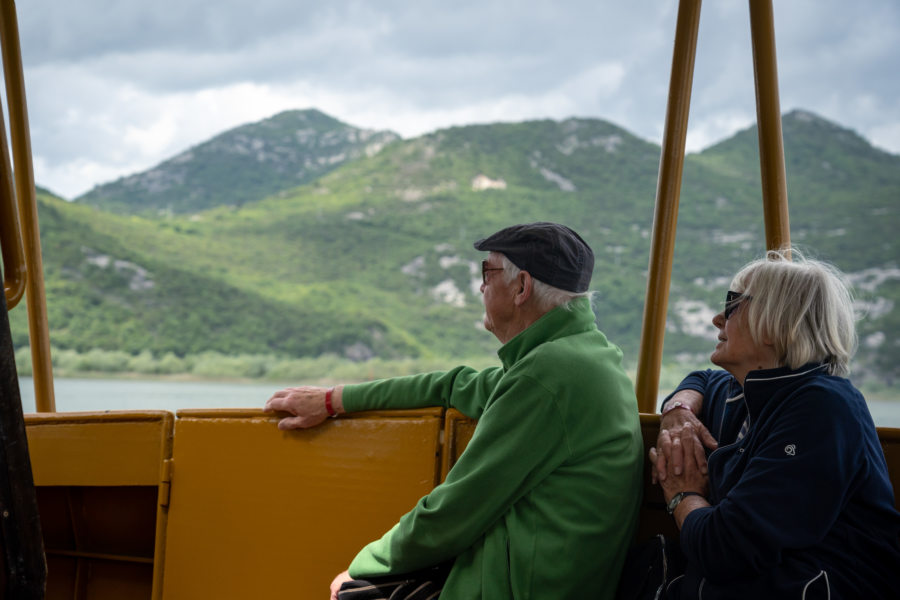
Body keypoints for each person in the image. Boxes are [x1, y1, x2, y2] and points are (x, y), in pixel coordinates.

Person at [265, 222, 643, 600]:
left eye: (487, 272)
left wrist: (360, 566)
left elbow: (454, 513)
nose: (481, 287)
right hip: (544, 575)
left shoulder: (547, 376)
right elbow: (451, 385)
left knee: (352, 593)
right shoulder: (585, 356)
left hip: (518, 587)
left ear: (522, 287)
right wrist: (334, 400)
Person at [650, 248, 900, 599]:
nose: (717, 319)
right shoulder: (749, 389)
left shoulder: (822, 408)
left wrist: (681, 492)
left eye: (732, 304)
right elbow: (702, 379)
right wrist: (679, 412)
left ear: (776, 320)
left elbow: (724, 549)